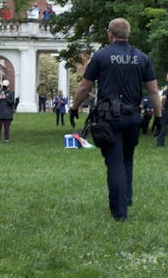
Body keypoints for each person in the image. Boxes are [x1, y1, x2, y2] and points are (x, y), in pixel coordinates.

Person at [69, 17, 161, 221]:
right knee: (127, 158)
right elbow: (153, 91)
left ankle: (120, 212)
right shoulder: (142, 58)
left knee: (115, 162)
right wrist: (159, 117)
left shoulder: (101, 56)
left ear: (110, 34)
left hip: (109, 117)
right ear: (128, 35)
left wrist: (75, 107)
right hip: (133, 117)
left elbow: (85, 87)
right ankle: (125, 198)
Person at [0, 79, 15, 143]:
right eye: (3, 86)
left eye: (5, 86)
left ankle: (7, 140)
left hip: (7, 114)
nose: (4, 87)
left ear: (8, 86)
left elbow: (12, 102)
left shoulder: (11, 93)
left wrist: (6, 98)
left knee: (6, 129)